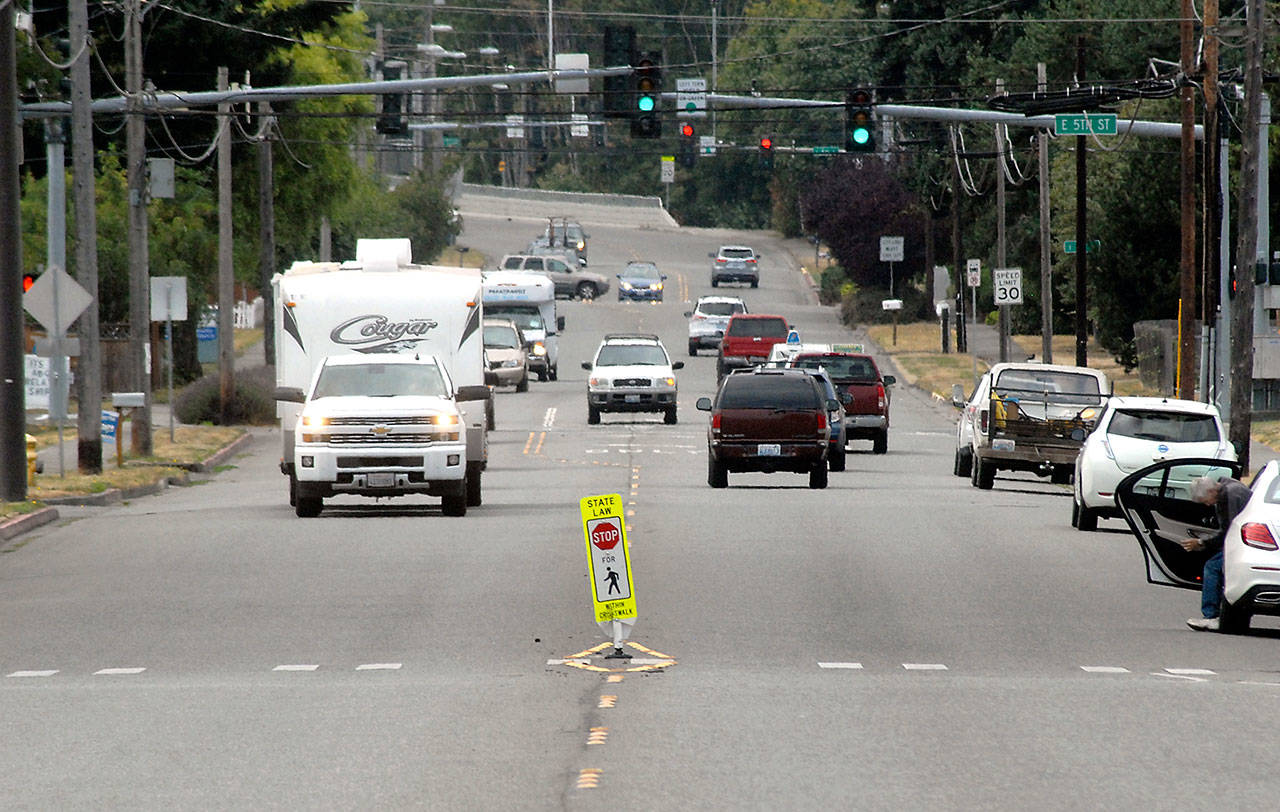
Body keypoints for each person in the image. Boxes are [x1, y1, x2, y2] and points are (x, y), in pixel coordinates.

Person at [1180, 475, 1252, 631]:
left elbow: (1229, 531)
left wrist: (1202, 542)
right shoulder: (1230, 489)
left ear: (1212, 491)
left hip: (1243, 544)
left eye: (1206, 500)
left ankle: (1211, 615)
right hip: (1245, 541)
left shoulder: (1230, 497)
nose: (1207, 505)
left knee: (1212, 567)